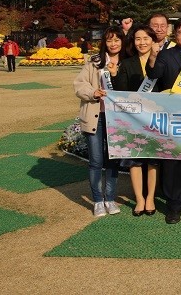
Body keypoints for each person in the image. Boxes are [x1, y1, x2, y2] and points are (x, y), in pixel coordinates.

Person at [145, 16, 181, 224]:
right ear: (175, 34)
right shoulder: (166, 55)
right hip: (171, 117)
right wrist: (152, 57)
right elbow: (154, 74)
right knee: (172, 161)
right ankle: (173, 205)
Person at [73, 25, 124, 217]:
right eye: (110, 40)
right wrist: (93, 93)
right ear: (105, 42)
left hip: (117, 119)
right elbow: (79, 84)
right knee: (95, 160)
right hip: (96, 116)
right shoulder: (95, 62)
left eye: (117, 39)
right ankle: (97, 200)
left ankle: (110, 198)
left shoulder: (127, 62)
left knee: (113, 159)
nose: (113, 43)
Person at [115, 24, 159, 217]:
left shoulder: (161, 61)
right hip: (134, 119)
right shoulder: (127, 63)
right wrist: (114, 75)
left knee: (153, 160)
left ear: (153, 41)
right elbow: (121, 93)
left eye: (146, 39)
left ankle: (150, 198)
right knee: (135, 160)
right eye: (138, 39)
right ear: (133, 41)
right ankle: (139, 199)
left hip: (156, 118)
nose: (142, 42)